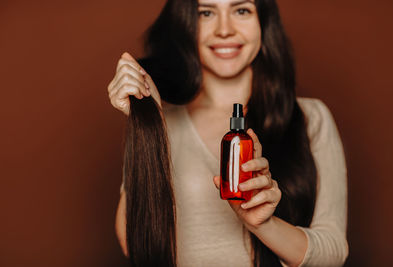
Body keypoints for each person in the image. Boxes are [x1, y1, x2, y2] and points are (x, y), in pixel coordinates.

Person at [108, 0, 348, 266]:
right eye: (206, 12)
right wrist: (148, 122)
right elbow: (135, 245)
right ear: (186, 23)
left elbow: (333, 253)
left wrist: (263, 225)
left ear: (264, 23)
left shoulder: (310, 118)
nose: (224, 29)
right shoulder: (163, 118)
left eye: (241, 10)